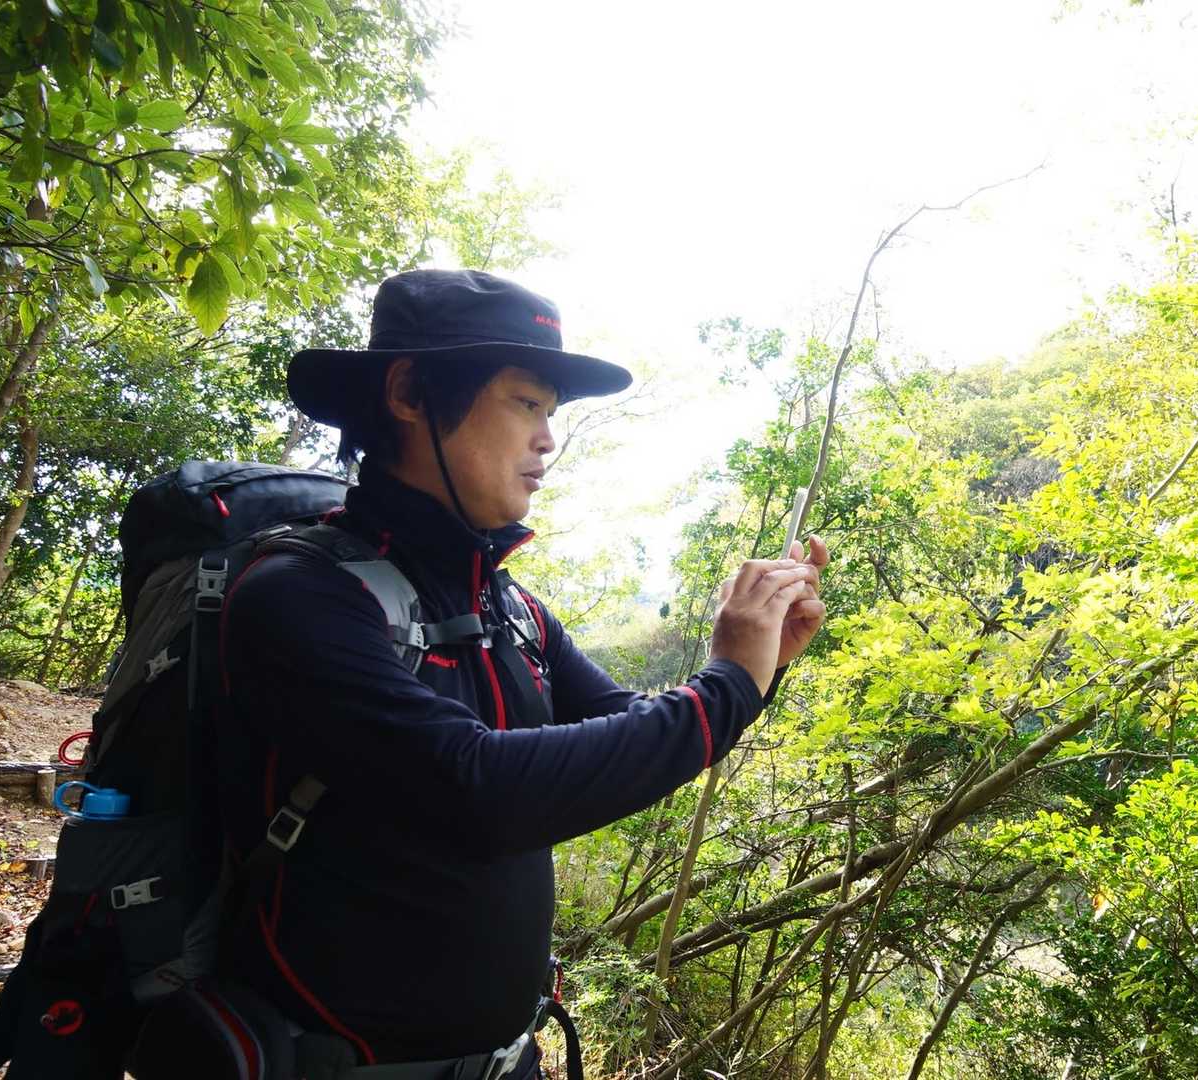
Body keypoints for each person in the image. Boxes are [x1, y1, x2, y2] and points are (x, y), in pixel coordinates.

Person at [215, 269, 827, 1077]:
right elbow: (479, 792)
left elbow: (638, 732)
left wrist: (759, 663)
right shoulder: (299, 595)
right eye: (526, 403)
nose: (547, 440)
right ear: (409, 393)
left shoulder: (511, 609)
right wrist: (729, 679)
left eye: (551, 412)